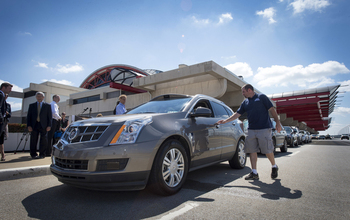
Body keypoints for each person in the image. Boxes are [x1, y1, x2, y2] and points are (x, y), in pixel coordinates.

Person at [217, 84, 281, 180]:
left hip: (264, 128)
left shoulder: (261, 97)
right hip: (251, 129)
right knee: (252, 150)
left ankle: (274, 166)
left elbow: (272, 109)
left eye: (244, 91)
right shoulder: (245, 102)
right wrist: (225, 121)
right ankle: (254, 172)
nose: (242, 94)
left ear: (249, 90)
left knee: (267, 150)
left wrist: (278, 123)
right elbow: (237, 114)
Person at [27, 92, 52, 159]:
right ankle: (33, 154)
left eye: (40, 96)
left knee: (43, 140)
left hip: (44, 125)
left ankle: (42, 154)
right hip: (34, 125)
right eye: (37, 96)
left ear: (43, 97)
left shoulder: (47, 105)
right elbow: (28, 116)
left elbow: (50, 117)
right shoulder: (32, 105)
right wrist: (29, 125)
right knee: (33, 140)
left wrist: (49, 125)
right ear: (36, 97)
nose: (39, 98)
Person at [0, 83, 13, 161]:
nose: (10, 90)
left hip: (3, 122)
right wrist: (0, 119)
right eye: (9, 88)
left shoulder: (6, 102)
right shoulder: (0, 95)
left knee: (1, 139)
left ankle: (3, 155)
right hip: (1, 121)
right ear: (3, 87)